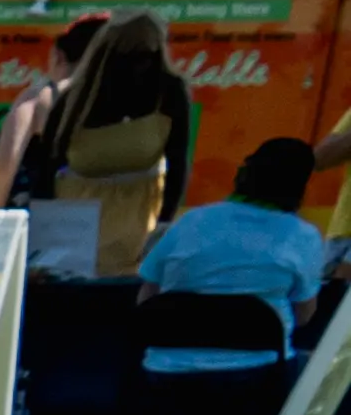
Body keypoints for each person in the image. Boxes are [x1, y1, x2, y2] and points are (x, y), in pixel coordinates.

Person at [0, 9, 189, 278]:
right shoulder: (75, 97)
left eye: (145, 57)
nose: (137, 67)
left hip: (138, 230)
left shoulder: (169, 91)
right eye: (129, 57)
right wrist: (43, 233)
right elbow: (48, 166)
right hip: (75, 229)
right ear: (109, 54)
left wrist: (165, 223)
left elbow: (178, 164)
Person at [138, 132, 334, 329]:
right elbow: (303, 314)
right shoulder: (305, 236)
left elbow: (147, 296)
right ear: (301, 187)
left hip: (167, 356)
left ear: (244, 172)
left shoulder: (190, 220)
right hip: (261, 358)